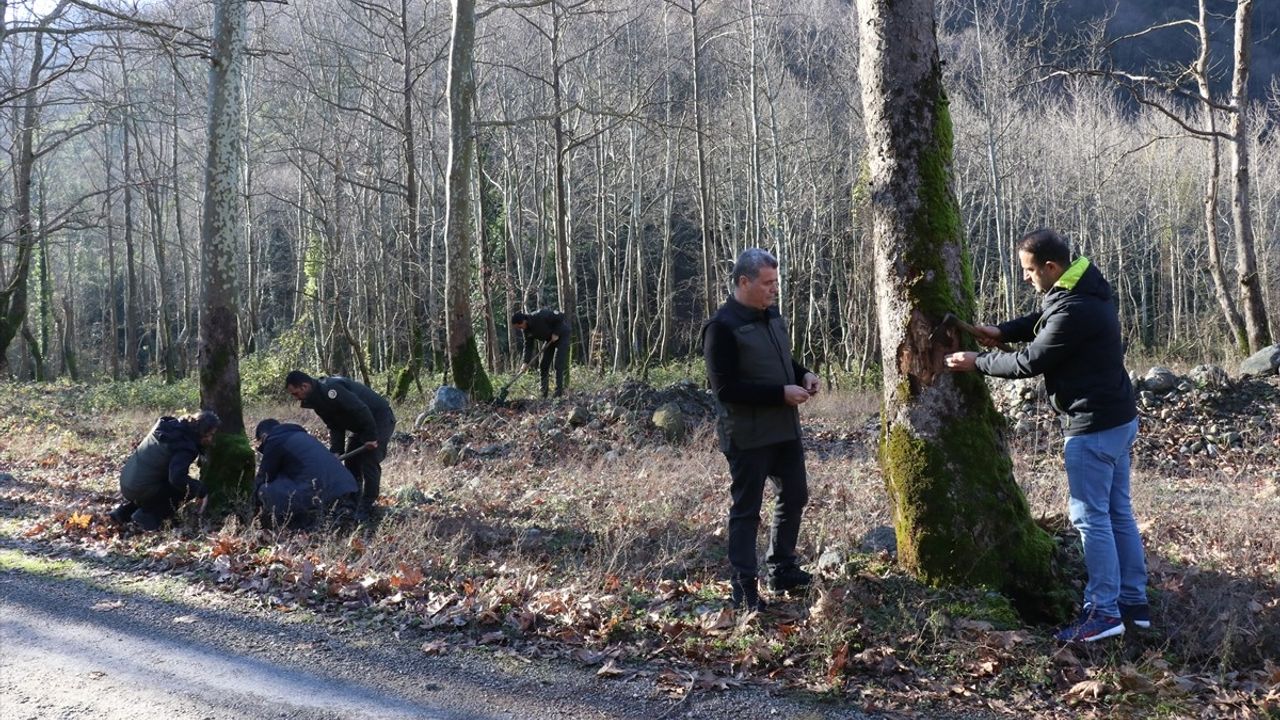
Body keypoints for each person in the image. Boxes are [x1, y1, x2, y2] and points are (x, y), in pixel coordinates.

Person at [943, 228, 1147, 643]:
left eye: (1029, 270)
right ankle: (1133, 604)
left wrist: (978, 361)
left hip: (1092, 426)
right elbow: (1043, 320)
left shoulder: (1076, 309)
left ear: (1051, 267)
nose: (1025, 278)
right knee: (1117, 513)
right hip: (1117, 419)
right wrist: (1001, 331)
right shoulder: (1082, 285)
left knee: (1091, 518)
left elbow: (1032, 360)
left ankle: (1105, 612)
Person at [701, 248, 820, 611]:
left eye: (776, 282)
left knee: (795, 495)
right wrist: (779, 394)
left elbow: (783, 359)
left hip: (784, 428)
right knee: (747, 510)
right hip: (747, 434)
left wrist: (802, 374)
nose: (774, 290)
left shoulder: (772, 316)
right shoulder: (721, 328)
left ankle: (781, 569)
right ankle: (743, 588)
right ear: (743, 282)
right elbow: (725, 389)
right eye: (768, 283)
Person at [284, 371, 396, 522]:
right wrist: (336, 451)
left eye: (296, 393)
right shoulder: (317, 400)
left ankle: (367, 505)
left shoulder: (331, 389)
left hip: (379, 418)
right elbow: (334, 425)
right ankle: (353, 499)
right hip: (361, 424)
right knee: (351, 461)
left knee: (369, 459)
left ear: (305, 386)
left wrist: (370, 437)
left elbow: (360, 409)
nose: (296, 398)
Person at [109, 411, 220, 531]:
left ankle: (122, 514)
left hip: (128, 481)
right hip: (140, 488)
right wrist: (201, 491)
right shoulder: (184, 446)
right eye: (211, 434)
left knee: (159, 483)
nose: (211, 439)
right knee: (186, 489)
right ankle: (146, 519)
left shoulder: (170, 427)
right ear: (202, 432)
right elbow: (177, 478)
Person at [253, 419, 358, 530]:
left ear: (264, 436)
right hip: (348, 487)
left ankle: (294, 526)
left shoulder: (275, 439)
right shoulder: (302, 437)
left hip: (323, 492)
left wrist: (251, 503)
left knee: (264, 489)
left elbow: (264, 477)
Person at [511, 309, 571, 398]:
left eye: (519, 326)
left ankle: (558, 393)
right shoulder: (526, 331)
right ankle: (543, 393)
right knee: (543, 365)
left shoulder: (540, 315)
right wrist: (525, 362)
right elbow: (528, 346)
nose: (520, 329)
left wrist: (556, 332)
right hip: (550, 340)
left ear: (523, 321)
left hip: (562, 335)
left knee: (558, 364)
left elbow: (560, 316)